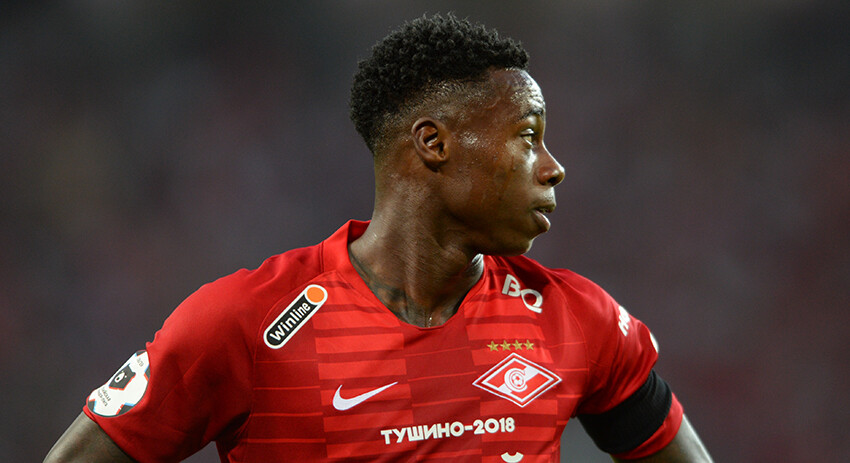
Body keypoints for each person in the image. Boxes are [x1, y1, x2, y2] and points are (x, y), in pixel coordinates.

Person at [45, 14, 712, 462]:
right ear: (433, 144)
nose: (553, 166)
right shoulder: (244, 324)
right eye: (528, 136)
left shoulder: (577, 321)